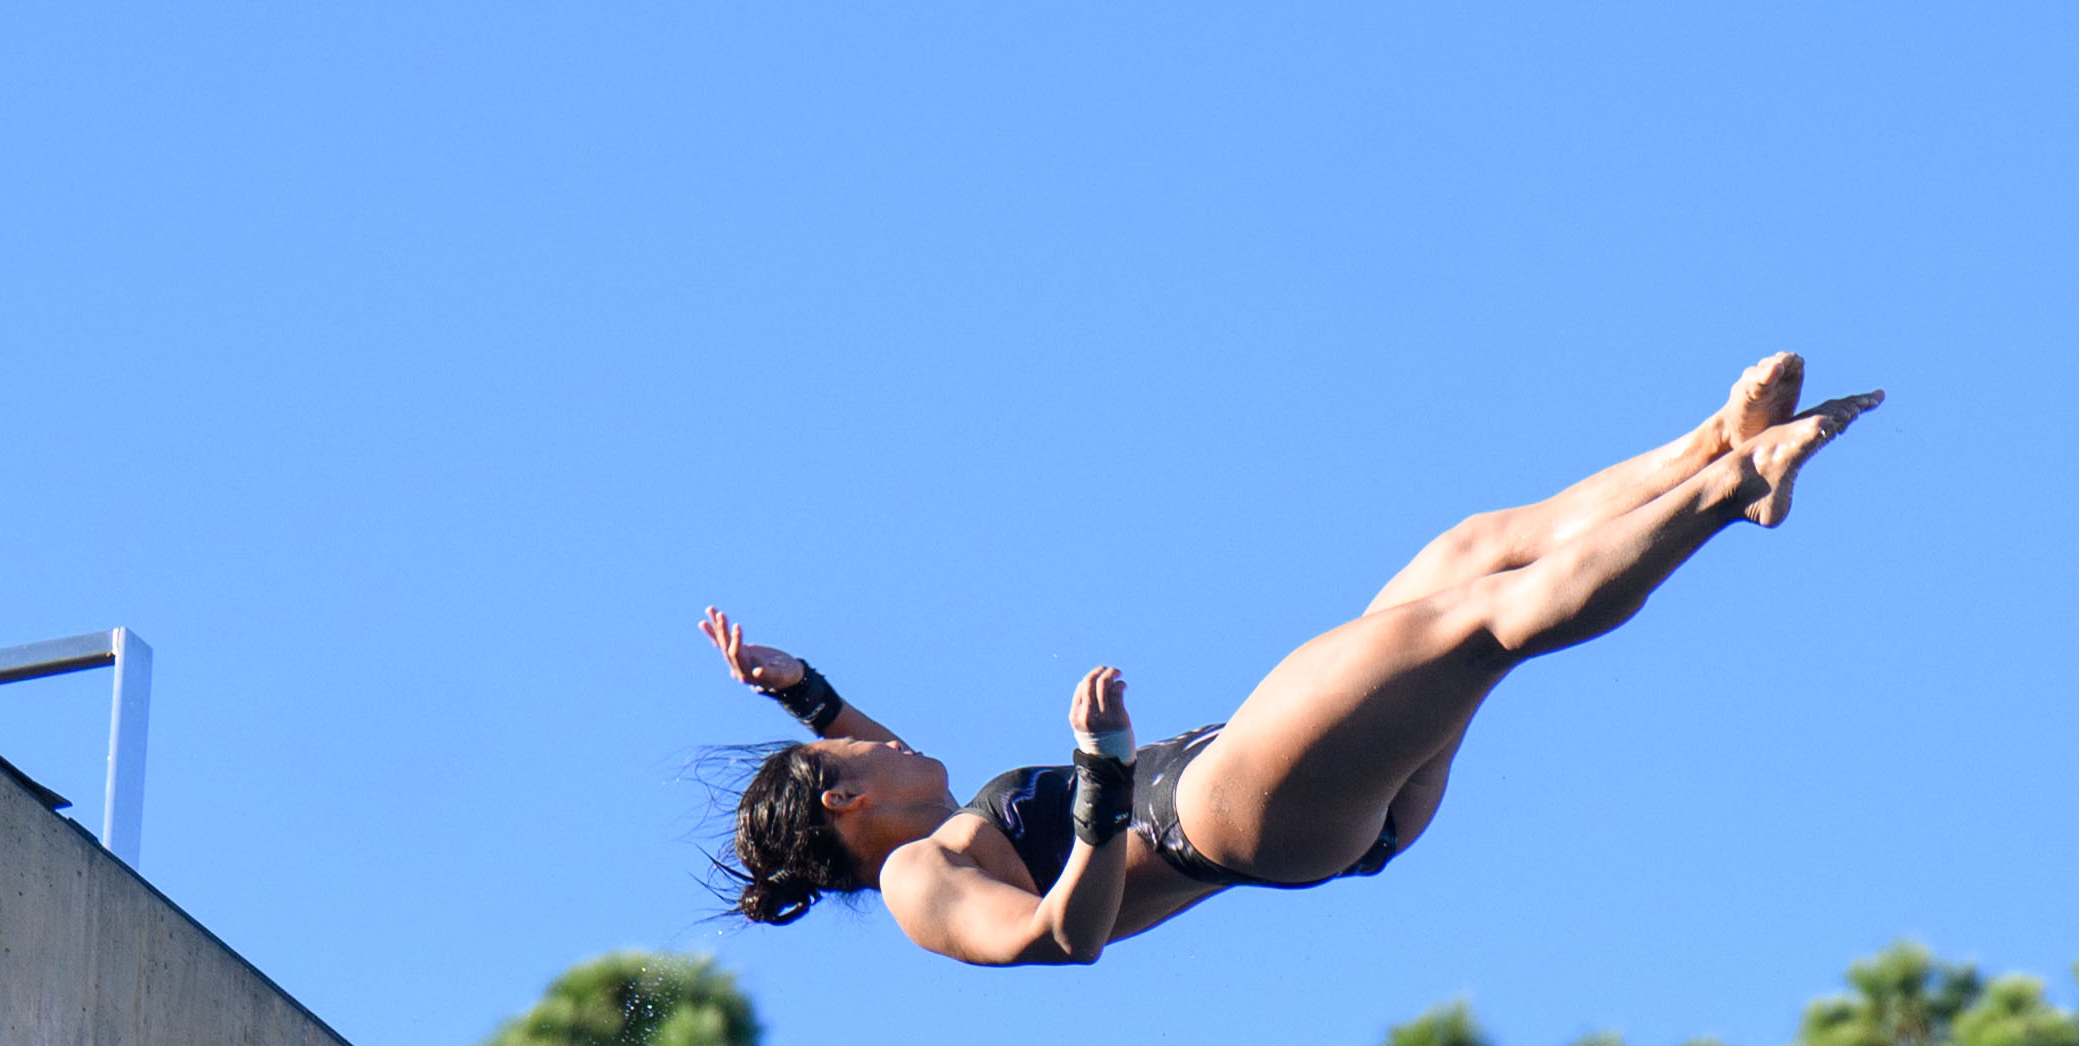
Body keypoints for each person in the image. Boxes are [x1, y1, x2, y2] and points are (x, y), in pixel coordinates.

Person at [700, 353, 1879, 966]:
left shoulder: (932, 821)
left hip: (1288, 803)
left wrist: (802, 691)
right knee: (1482, 620)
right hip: (1220, 813)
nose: (881, 737)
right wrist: (1101, 776)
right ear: (846, 799)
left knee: (1468, 555)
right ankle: (1737, 484)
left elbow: (870, 746)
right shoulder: (919, 884)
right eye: (850, 751)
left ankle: (1707, 448)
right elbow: (1064, 936)